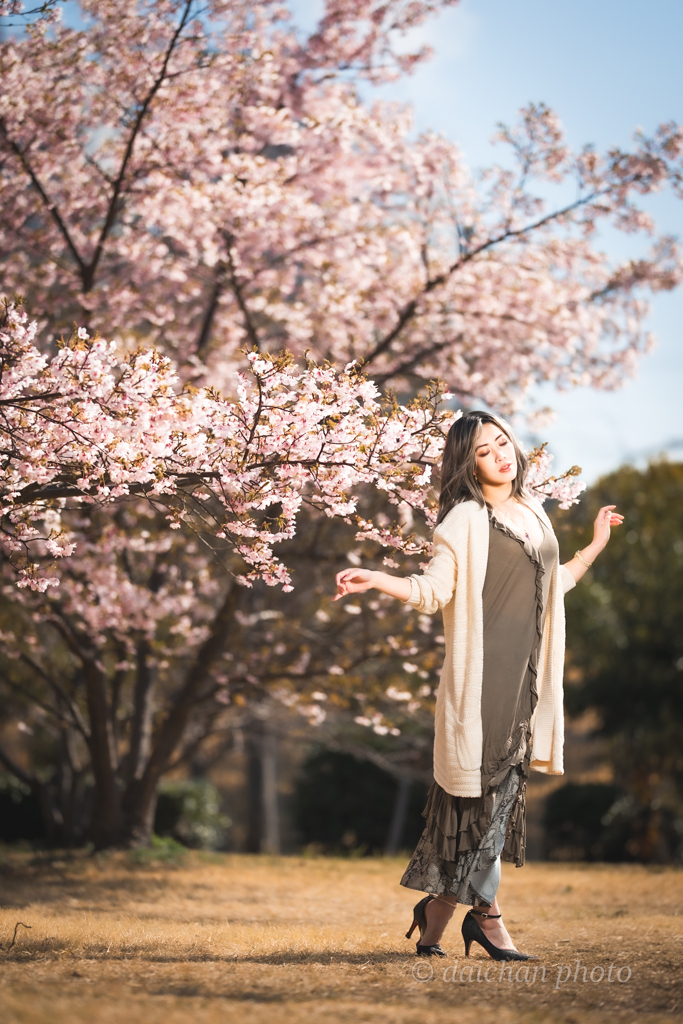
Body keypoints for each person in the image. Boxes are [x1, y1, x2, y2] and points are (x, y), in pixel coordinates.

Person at [334, 411, 622, 961]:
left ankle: (437, 917)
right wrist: (377, 578)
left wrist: (594, 546)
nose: (501, 456)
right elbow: (433, 590)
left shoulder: (534, 514)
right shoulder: (463, 520)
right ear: (468, 465)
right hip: (484, 683)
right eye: (485, 452)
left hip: (529, 681)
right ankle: (487, 918)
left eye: (503, 443)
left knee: (495, 801)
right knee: (478, 806)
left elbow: (548, 588)